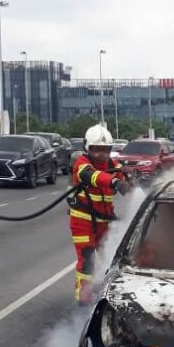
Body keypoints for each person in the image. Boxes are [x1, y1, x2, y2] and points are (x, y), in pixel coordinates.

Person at [69, 123, 126, 305]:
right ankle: (83, 300)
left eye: (105, 150)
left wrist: (129, 181)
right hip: (83, 221)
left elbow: (123, 174)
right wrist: (114, 182)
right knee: (87, 261)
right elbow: (93, 176)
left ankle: (109, 294)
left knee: (113, 258)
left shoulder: (112, 164)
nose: (102, 154)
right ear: (88, 148)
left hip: (105, 221)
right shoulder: (82, 164)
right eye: (97, 149)